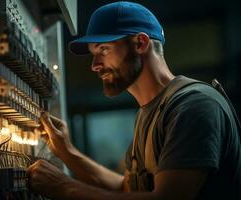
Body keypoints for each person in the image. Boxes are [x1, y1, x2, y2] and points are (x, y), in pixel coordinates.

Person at [27, 1, 241, 199]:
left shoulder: (194, 106)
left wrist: (63, 187)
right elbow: (126, 188)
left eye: (104, 49)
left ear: (140, 43)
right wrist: (67, 151)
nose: (95, 65)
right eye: (94, 53)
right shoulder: (149, 113)